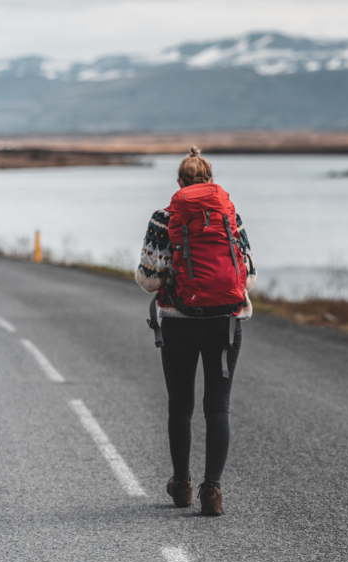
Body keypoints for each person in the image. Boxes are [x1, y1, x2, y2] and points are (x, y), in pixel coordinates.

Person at [135, 146, 256, 516]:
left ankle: (182, 485)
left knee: (180, 406)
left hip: (178, 321)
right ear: (211, 180)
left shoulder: (164, 217)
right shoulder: (229, 216)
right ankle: (213, 492)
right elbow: (247, 273)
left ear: (179, 182)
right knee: (218, 408)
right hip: (226, 322)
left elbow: (149, 280)